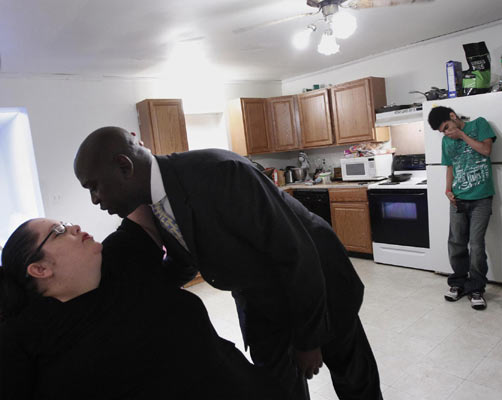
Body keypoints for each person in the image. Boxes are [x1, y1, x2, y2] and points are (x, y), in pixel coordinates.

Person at [74, 127, 383, 400]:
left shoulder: (222, 173)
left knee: (354, 379)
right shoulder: (151, 205)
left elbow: (295, 253)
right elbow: (184, 259)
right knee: (277, 387)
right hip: (260, 300)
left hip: (318, 285)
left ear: (124, 167)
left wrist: (308, 339)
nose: (95, 200)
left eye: (94, 186)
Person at [0, 211, 285, 399]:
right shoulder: (40, 344)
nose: (73, 226)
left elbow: (140, 207)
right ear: (39, 269)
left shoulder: (119, 259)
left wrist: (131, 154)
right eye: (59, 231)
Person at [427, 106, 496, 310]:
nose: (447, 133)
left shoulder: (479, 124)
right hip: (458, 198)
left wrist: (462, 135)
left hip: (481, 198)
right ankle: (458, 283)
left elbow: (486, 150)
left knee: (476, 245)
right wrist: (447, 190)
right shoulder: (446, 141)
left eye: (447, 127)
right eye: (443, 131)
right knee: (456, 243)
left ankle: (476, 289)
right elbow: (450, 166)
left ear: (453, 116)